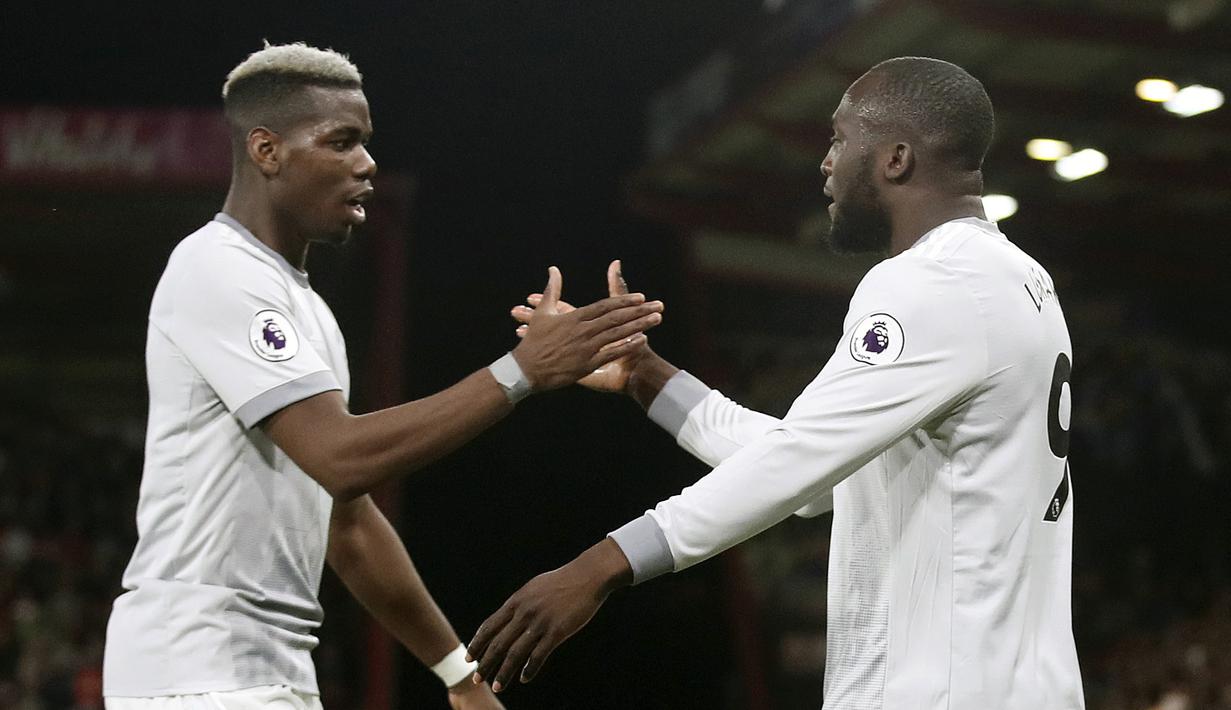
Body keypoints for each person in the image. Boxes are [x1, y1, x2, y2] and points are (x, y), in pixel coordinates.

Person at [467, 57, 1085, 709]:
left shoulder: (931, 284)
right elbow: (812, 469)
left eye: (840, 139)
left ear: (895, 159)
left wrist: (598, 566)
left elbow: (795, 463)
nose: (825, 162)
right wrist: (644, 377)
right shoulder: (1018, 281)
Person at [101, 42, 663, 710]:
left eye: (365, 143)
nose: (366, 164)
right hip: (196, 671)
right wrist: (520, 371)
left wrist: (459, 673)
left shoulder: (305, 307)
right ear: (266, 150)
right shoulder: (217, 268)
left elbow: (348, 525)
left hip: (258, 671)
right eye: (341, 142)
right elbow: (341, 458)